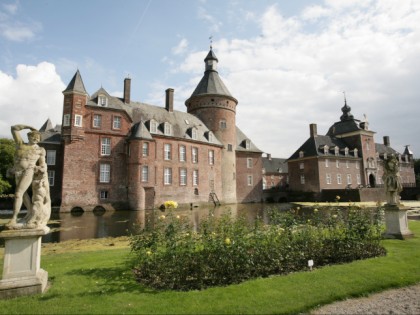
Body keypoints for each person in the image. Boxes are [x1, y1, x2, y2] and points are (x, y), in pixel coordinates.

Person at [7, 124, 47, 228]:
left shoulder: (40, 150)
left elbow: (43, 164)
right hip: (17, 171)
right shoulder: (20, 145)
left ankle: (14, 218)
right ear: (28, 137)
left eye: (37, 138)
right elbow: (14, 128)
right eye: (33, 136)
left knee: (18, 193)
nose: (35, 139)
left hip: (29, 171)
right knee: (23, 194)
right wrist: (29, 126)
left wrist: (41, 168)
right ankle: (30, 213)